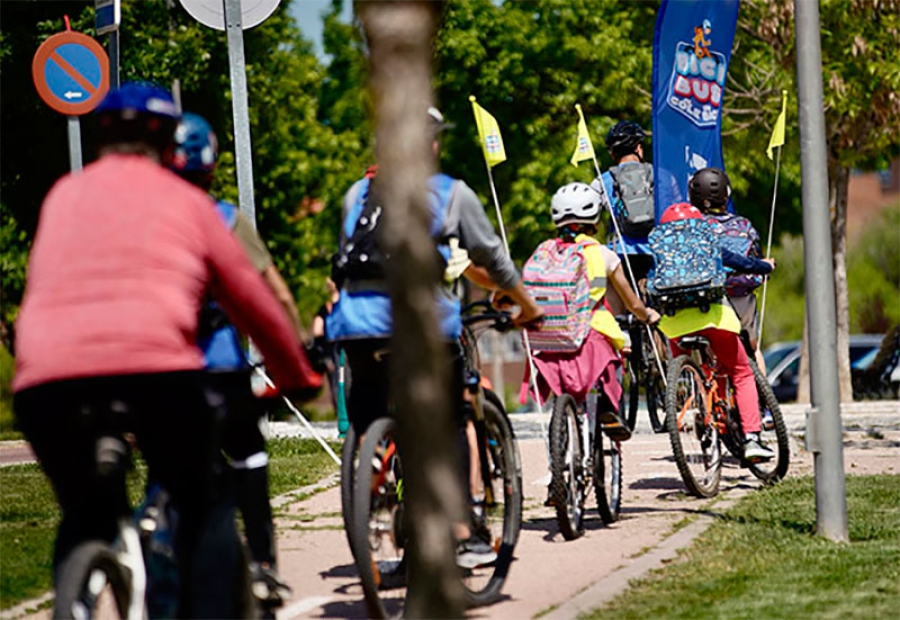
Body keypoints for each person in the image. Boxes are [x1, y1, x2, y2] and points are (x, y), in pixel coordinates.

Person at [12, 82, 321, 618]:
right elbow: (256, 300)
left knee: (85, 515)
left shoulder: (63, 195)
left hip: (45, 385)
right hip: (157, 378)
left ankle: (78, 588)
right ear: (168, 143)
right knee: (205, 505)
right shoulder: (190, 203)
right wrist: (299, 374)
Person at [327, 106, 543, 568]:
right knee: (448, 420)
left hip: (358, 327)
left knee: (370, 416)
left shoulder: (355, 194)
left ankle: (370, 489)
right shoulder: (449, 193)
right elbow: (497, 262)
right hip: (422, 328)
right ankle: (464, 533)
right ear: (431, 144)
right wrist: (527, 307)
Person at [169, 111, 300, 605]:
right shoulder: (224, 218)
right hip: (219, 369)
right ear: (214, 165)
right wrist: (294, 361)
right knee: (248, 454)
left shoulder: (145, 220)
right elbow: (277, 296)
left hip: (155, 372)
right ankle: (264, 565)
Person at [523, 182, 661, 442]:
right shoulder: (603, 255)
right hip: (589, 332)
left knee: (563, 395)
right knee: (616, 351)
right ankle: (610, 407)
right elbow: (631, 303)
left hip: (547, 336)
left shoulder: (544, 251)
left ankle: (561, 454)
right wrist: (648, 315)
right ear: (595, 221)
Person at [652, 202, 775, 461]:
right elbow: (741, 262)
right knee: (741, 372)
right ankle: (752, 437)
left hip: (674, 325)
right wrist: (766, 266)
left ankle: (695, 394)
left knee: (687, 363)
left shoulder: (660, 248)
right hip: (714, 318)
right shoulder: (707, 241)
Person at [688, 167, 770, 370]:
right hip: (741, 297)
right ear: (726, 196)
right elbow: (756, 259)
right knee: (753, 348)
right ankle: (762, 400)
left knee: (706, 350)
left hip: (704, 301)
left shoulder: (690, 228)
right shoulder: (743, 225)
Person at [592, 120, 657, 301]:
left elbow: (589, 217)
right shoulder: (658, 175)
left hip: (620, 254)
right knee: (659, 313)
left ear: (613, 153)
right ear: (638, 147)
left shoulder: (602, 181)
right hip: (655, 252)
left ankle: (622, 323)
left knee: (618, 310)